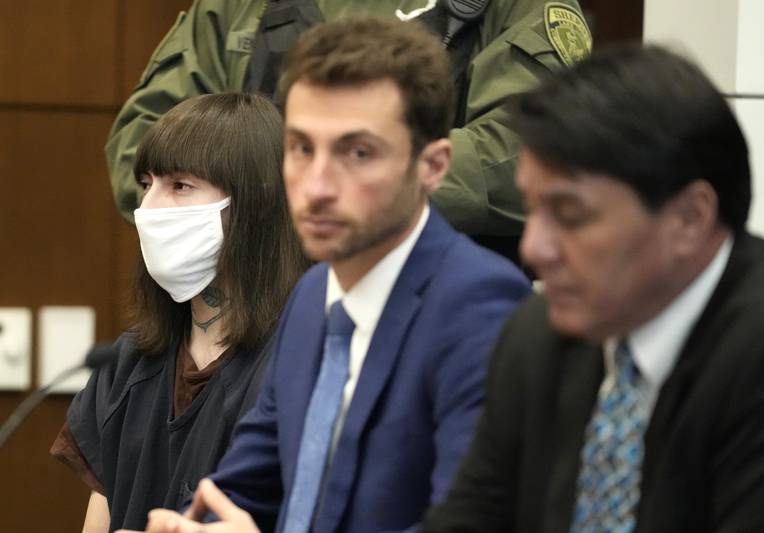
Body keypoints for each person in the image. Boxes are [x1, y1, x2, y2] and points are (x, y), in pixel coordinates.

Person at [122, 17, 532, 533]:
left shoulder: (480, 306)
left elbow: (475, 525)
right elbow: (246, 486)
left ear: (432, 166)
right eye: (301, 149)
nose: (316, 186)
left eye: (356, 153)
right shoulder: (314, 294)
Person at [421, 45, 764, 532]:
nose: (535, 248)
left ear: (690, 217)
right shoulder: (536, 335)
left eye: (571, 215)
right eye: (533, 209)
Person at [106, 0, 592, 262]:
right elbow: (143, 146)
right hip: (248, 317)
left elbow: (537, 153)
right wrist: (274, 193)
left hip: (431, 303)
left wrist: (357, 187)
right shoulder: (239, 7)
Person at [50, 93, 309, 532]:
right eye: (147, 184)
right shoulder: (127, 362)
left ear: (251, 204)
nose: (148, 210)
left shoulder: (301, 362)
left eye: (180, 186)